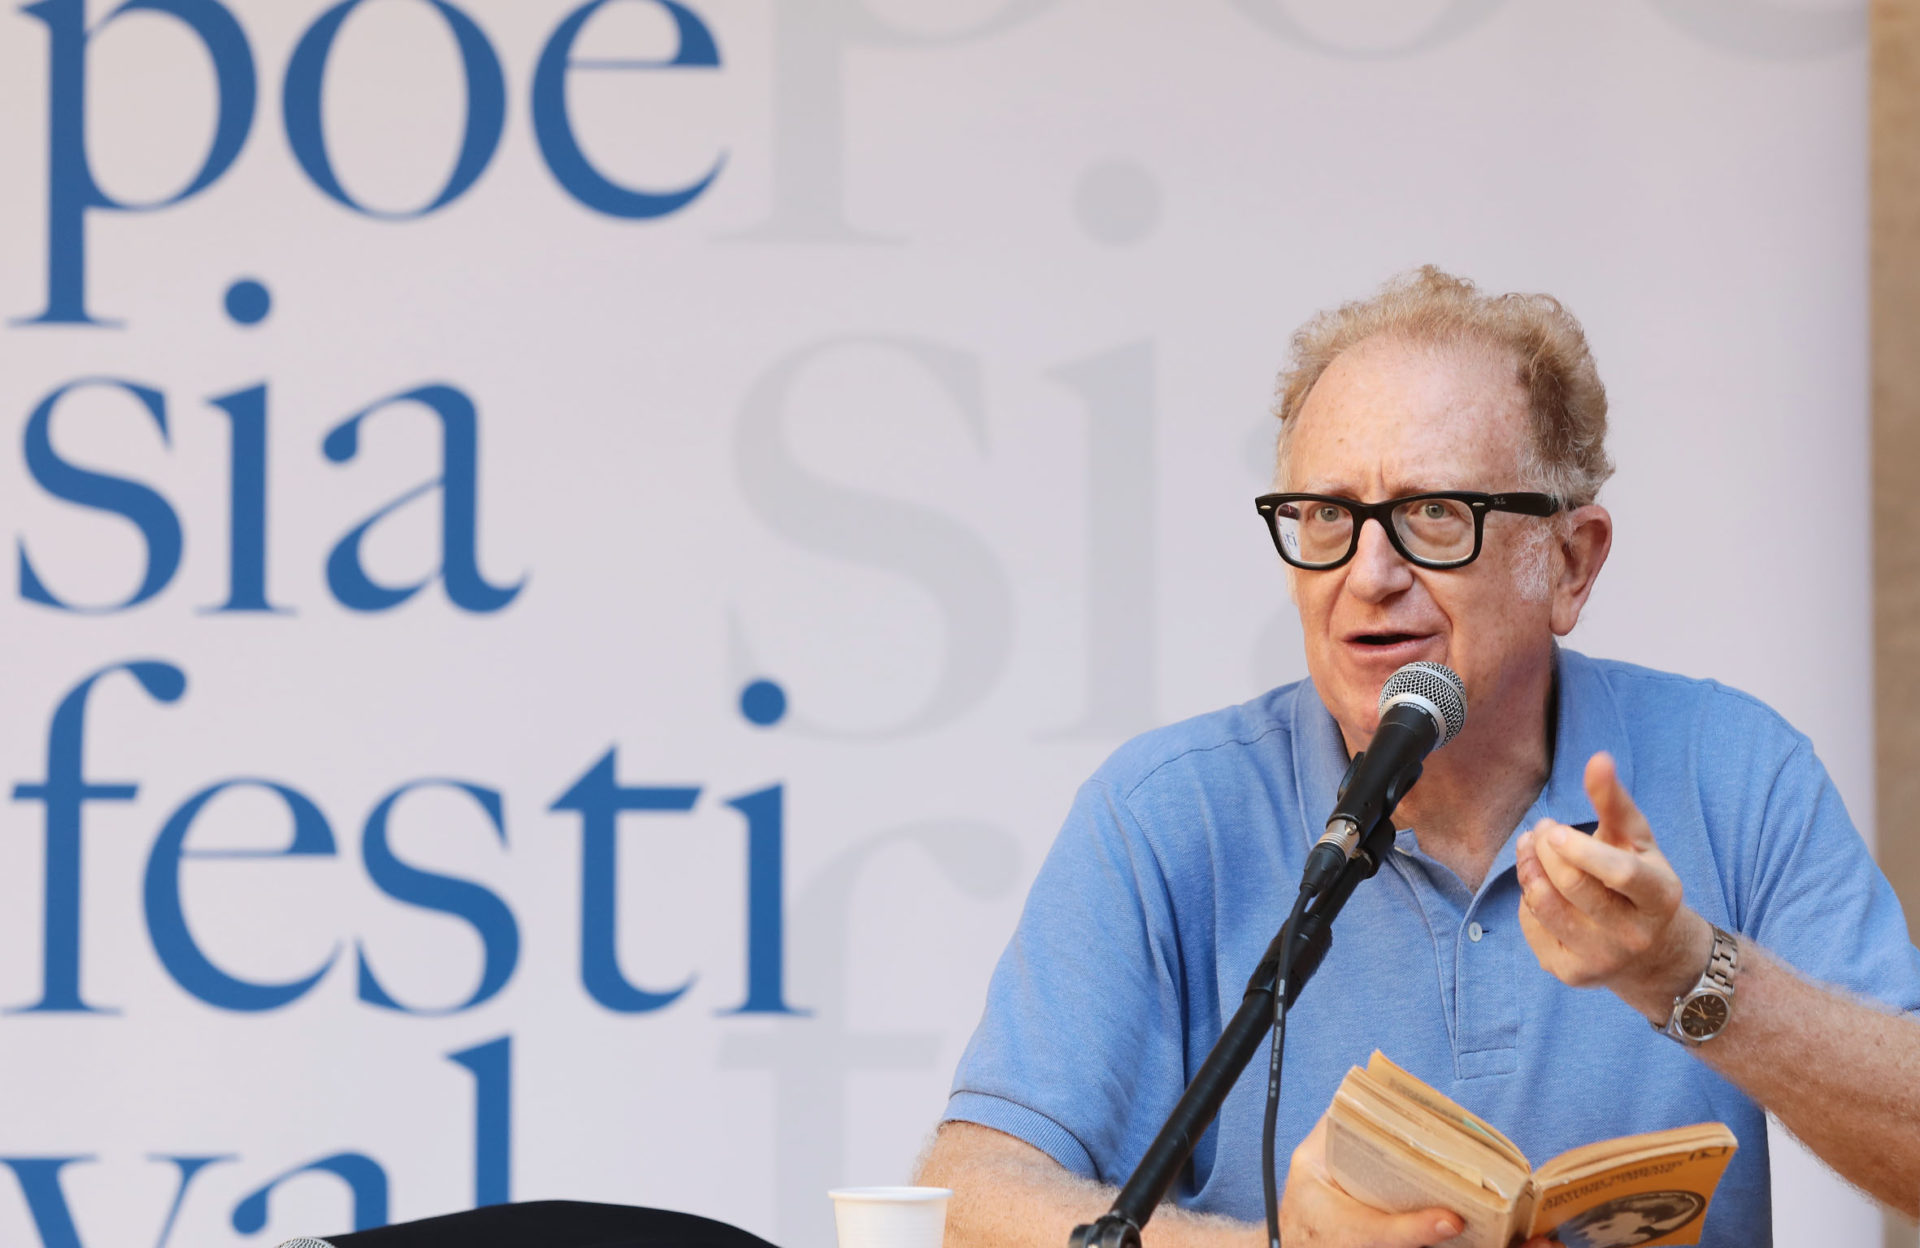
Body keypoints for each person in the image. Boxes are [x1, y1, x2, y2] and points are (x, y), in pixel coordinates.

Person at [914, 268, 1920, 1247]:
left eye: (1434, 514)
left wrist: (1689, 976)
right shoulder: (1166, 812)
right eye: (1327, 516)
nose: (1368, 574)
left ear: (1570, 562)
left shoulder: (1737, 771)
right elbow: (968, 1197)